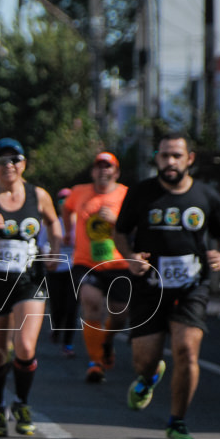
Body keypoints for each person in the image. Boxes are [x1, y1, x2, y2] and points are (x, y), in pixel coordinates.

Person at [115, 132, 220, 439]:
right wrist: (130, 258)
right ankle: (148, 377)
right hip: (148, 287)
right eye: (165, 155)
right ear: (157, 158)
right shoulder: (142, 193)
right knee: (144, 360)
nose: (170, 162)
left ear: (189, 159)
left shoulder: (206, 196)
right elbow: (120, 232)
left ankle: (177, 421)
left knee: (186, 350)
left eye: (176, 156)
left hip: (191, 286)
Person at [0, 138, 62, 437]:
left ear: (24, 163)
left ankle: (22, 402)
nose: (9, 166)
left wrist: (55, 249)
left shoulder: (37, 195)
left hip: (30, 279)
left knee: (25, 346)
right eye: (2, 161)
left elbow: (54, 222)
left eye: (15, 160)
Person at [63, 151, 131, 383]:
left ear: (116, 172)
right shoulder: (79, 192)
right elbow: (66, 209)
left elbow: (136, 227)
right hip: (86, 262)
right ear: (93, 171)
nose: (103, 171)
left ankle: (107, 343)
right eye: (99, 166)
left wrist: (115, 220)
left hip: (118, 262)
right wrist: (66, 231)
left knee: (120, 314)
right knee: (90, 303)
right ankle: (95, 362)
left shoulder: (126, 195)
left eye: (108, 167)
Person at [46, 188, 79, 358]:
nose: (65, 203)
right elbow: (43, 244)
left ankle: (68, 343)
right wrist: (49, 258)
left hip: (75, 270)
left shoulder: (81, 223)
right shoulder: (53, 223)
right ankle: (57, 328)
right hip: (56, 269)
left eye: (68, 200)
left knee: (72, 307)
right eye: (61, 201)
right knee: (57, 306)